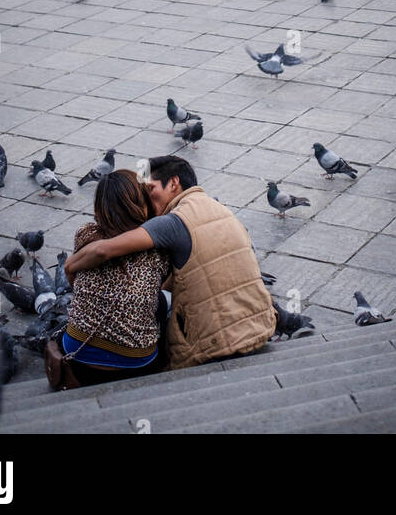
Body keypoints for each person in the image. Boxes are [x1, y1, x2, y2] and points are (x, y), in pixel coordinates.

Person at [65, 156, 277, 370]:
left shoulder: (171, 223)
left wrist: (70, 266)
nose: (147, 197)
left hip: (216, 344)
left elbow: (103, 250)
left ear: (173, 183)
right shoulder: (219, 209)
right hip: (259, 325)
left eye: (150, 188)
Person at [61, 170, 170, 386]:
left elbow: (75, 280)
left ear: (100, 208)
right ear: (142, 202)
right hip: (136, 361)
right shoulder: (159, 247)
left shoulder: (86, 233)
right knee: (166, 304)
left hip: (80, 355)